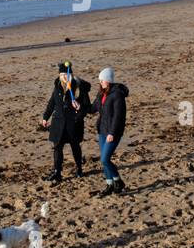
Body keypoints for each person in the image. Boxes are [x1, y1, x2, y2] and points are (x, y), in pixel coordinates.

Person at [40, 60, 91, 183]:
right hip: (58, 122)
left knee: (75, 147)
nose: (64, 77)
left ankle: (79, 168)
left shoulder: (79, 87)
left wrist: (79, 108)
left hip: (73, 123)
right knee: (57, 147)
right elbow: (52, 103)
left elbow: (87, 107)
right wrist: (45, 117)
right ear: (59, 76)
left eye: (67, 75)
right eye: (62, 75)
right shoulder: (57, 86)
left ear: (71, 75)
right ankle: (57, 172)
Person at [89, 67, 129, 195]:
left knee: (105, 159)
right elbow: (92, 108)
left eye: (103, 80)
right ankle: (109, 184)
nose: (101, 82)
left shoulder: (117, 95)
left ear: (109, 80)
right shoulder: (101, 93)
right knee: (104, 160)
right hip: (102, 130)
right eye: (100, 80)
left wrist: (112, 133)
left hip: (113, 132)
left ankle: (118, 181)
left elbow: (119, 116)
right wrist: (79, 106)